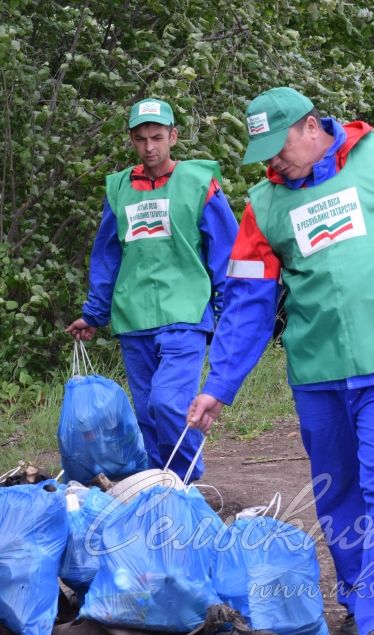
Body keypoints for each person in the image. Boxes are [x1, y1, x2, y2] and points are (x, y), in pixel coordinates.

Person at [187, 87, 374, 635]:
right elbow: (247, 304)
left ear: (310, 127)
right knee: (336, 491)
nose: (272, 162)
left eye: (277, 147)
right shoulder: (265, 203)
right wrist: (220, 384)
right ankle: (359, 595)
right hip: (317, 370)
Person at [66, 98, 240, 483]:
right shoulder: (119, 190)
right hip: (134, 316)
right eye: (141, 138)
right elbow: (107, 256)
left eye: (157, 137)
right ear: (131, 140)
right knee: (147, 411)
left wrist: (230, 309)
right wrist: (95, 314)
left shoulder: (199, 184)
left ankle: (186, 483)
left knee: (170, 403)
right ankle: (159, 487)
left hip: (186, 313)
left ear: (173, 136)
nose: (150, 147)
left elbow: (226, 251)